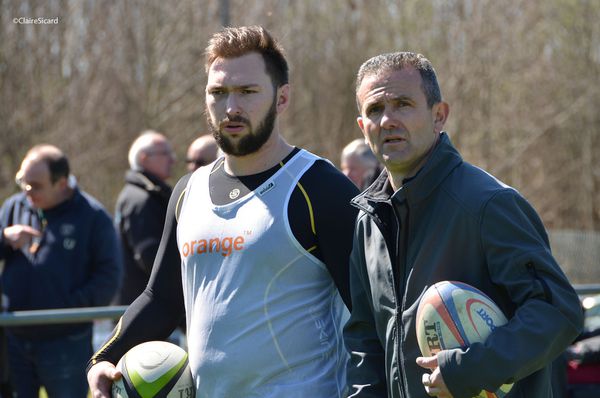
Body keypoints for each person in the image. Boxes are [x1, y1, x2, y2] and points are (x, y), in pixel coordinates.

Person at [87, 25, 359, 398]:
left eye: (248, 92)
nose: (231, 108)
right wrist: (105, 357)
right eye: (219, 93)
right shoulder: (187, 191)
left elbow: (371, 315)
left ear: (282, 98)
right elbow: (162, 299)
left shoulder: (319, 187)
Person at [343, 51, 584, 397]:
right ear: (363, 128)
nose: (387, 120)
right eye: (375, 110)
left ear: (439, 115)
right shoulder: (368, 221)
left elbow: (557, 312)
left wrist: (468, 370)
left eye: (403, 104)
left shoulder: (488, 204)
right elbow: (365, 339)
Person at [0, 144, 121, 398]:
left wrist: (69, 309)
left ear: (62, 182)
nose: (27, 191)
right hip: (14, 338)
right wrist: (3, 238)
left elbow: (109, 276)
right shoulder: (14, 207)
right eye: (23, 181)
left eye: (37, 185)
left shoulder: (93, 216)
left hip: (66, 341)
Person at [115, 131, 174, 305]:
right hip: (144, 310)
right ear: (144, 158)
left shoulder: (148, 195)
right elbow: (150, 256)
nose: (173, 160)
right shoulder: (140, 200)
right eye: (165, 154)